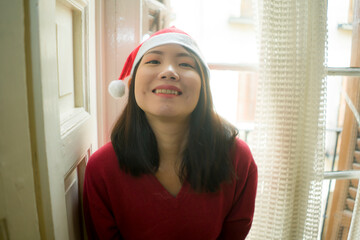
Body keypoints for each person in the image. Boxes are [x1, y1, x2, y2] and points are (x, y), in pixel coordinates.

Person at [83, 26, 257, 240]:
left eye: (185, 64)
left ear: (203, 87)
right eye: (154, 61)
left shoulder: (239, 160)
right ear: (132, 82)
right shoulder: (101, 169)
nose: (169, 72)